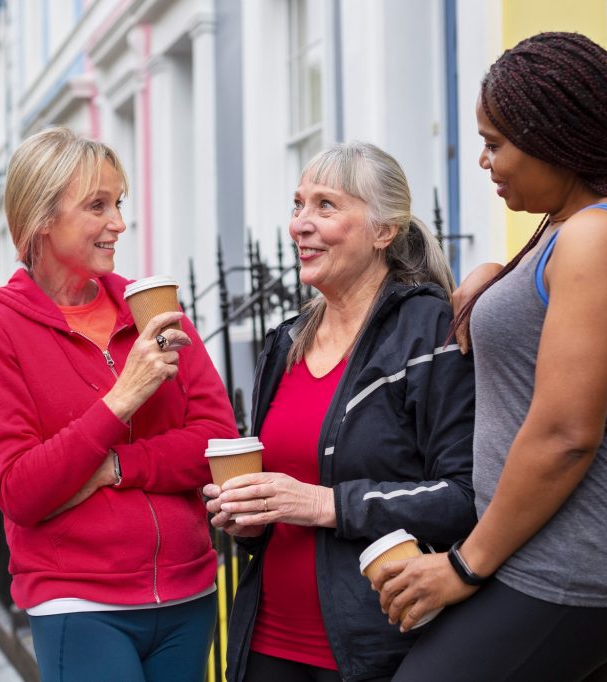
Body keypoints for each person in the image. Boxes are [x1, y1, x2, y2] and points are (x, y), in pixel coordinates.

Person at [372, 32, 607, 681]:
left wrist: (464, 565)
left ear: (555, 137)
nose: (483, 161)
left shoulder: (597, 236)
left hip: (574, 559)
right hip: (549, 548)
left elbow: (565, 435)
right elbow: (548, 311)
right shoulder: (571, 226)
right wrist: (491, 279)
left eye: (496, 143)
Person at [0, 127, 239, 682]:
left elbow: (218, 443)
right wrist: (122, 399)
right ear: (41, 217)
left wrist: (115, 467)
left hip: (189, 593)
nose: (119, 223)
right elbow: (20, 490)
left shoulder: (151, 309)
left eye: (118, 203)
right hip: (80, 604)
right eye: (97, 206)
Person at [204, 142, 477, 682]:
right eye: (298, 204)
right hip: (267, 644)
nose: (300, 224)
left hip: (374, 649)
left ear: (384, 231)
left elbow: (466, 496)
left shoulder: (429, 331)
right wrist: (246, 519)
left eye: (325, 205)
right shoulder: (285, 342)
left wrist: (325, 503)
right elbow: (282, 499)